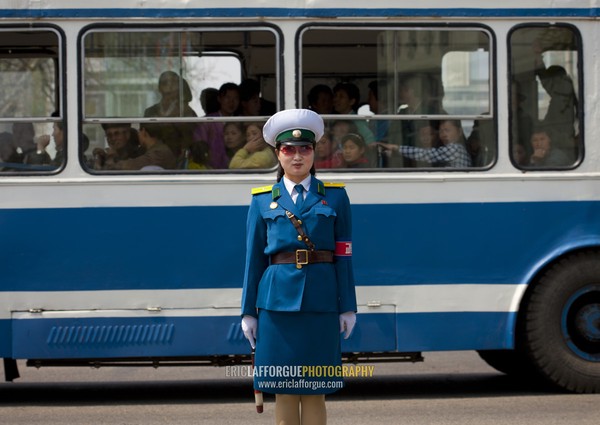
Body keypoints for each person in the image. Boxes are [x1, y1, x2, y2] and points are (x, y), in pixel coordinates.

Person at [241, 108, 357, 425]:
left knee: (316, 389)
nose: (296, 156)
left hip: (321, 302)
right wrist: (248, 311)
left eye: (304, 148)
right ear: (278, 154)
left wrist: (348, 306)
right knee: (285, 389)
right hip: (276, 305)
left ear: (314, 152)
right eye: (288, 149)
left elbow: (344, 254)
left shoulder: (335, 197)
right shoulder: (262, 200)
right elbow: (253, 260)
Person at [144, 71, 197, 164]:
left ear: (179, 88)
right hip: (154, 159)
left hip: (180, 159)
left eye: (174, 83)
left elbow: (192, 137)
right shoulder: (149, 112)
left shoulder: (187, 111)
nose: (170, 87)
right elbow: (145, 137)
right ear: (159, 88)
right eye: (165, 83)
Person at [377, 119, 472, 168]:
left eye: (447, 130)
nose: (443, 134)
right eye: (441, 131)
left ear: (459, 132)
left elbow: (426, 154)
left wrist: (395, 147)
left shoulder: (455, 149)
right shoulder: (451, 149)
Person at [194, 82, 240, 169]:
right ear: (219, 99)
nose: (232, 102)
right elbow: (199, 148)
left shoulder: (241, 121)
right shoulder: (207, 122)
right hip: (211, 172)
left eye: (236, 98)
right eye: (227, 97)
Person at [102, 122, 176, 170]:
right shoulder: (144, 150)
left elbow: (132, 165)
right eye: (109, 135)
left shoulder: (159, 152)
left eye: (117, 134)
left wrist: (111, 157)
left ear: (143, 131)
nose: (113, 139)